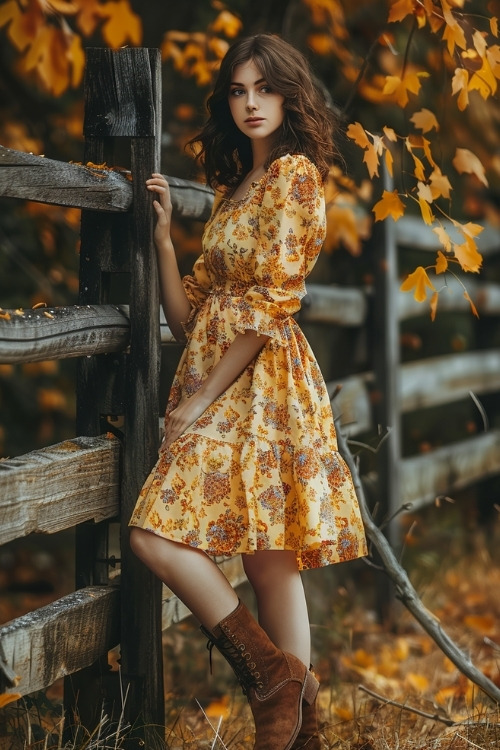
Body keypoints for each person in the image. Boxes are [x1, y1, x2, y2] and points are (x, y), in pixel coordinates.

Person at [129, 33, 368, 750]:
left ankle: (282, 704)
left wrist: (200, 399)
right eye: (237, 91)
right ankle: (289, 700)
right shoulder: (239, 190)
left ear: (290, 96)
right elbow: (186, 318)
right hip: (215, 371)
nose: (250, 103)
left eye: (263, 89)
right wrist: (167, 244)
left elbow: (271, 307)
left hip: (262, 381)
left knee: (247, 551)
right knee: (206, 545)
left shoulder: (295, 176)